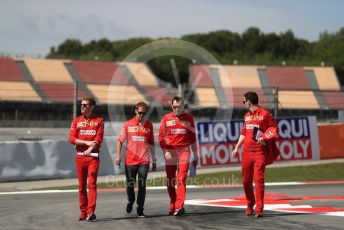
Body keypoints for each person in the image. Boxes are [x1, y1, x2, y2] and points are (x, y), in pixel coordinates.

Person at [232, 92, 279, 218]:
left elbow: (274, 129)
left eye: (244, 101)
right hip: (246, 153)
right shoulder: (246, 116)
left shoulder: (265, 114)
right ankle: (249, 203)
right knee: (246, 181)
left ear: (249, 101)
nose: (244, 104)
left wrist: (264, 137)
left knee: (259, 181)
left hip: (259, 152)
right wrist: (237, 147)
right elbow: (243, 132)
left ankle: (259, 209)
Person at [158, 96, 198, 216]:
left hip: (184, 150)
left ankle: (179, 206)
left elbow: (193, 139)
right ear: (172, 107)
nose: (176, 109)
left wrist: (195, 155)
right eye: (174, 107)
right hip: (170, 151)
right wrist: (165, 151)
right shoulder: (166, 118)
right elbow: (160, 137)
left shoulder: (189, 118)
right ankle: (173, 204)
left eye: (179, 107)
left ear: (183, 107)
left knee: (181, 178)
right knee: (170, 179)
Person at [115, 102, 156, 218]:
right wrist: (118, 156)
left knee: (142, 184)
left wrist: (154, 159)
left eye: (144, 113)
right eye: (140, 113)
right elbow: (120, 141)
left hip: (144, 160)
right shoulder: (127, 125)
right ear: (135, 111)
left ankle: (140, 208)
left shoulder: (149, 125)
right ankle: (131, 200)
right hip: (130, 161)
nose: (142, 115)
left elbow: (152, 143)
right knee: (130, 185)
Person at [69, 97, 104, 221]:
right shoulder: (76, 121)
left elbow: (99, 139)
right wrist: (86, 143)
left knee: (92, 183)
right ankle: (83, 212)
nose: (82, 107)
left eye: (85, 105)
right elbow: (72, 139)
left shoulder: (99, 121)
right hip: (80, 157)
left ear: (92, 107)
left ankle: (90, 212)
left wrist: (90, 148)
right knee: (81, 186)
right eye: (81, 105)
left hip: (93, 157)